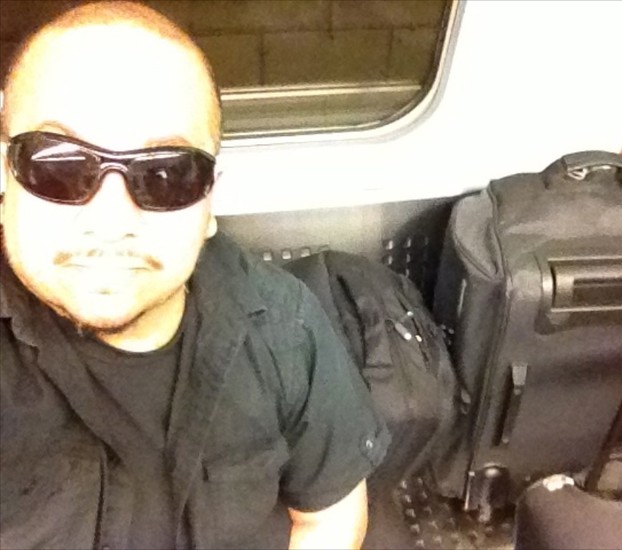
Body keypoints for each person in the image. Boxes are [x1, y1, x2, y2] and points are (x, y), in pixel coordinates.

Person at [0, 2, 389, 549]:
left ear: (209, 204)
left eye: (165, 174)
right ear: (5, 177)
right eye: (59, 166)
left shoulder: (285, 332)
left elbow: (328, 519)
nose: (110, 221)